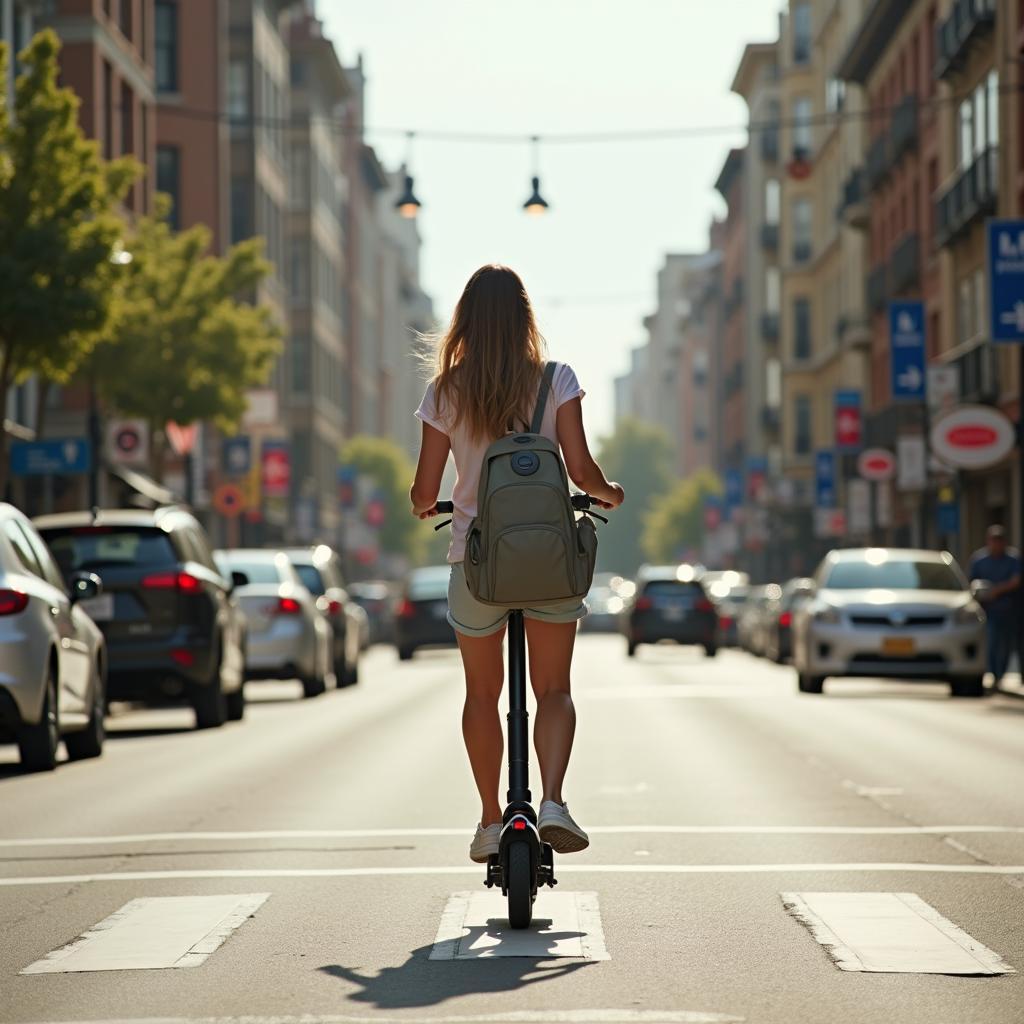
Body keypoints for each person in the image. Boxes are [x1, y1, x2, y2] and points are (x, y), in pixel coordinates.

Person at [410, 264, 625, 863]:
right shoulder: (557, 380)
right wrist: (609, 494)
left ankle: (487, 821)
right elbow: (581, 472)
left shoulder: (445, 393)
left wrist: (428, 501)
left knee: (483, 695)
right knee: (553, 688)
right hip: (549, 561)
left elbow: (425, 493)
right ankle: (552, 801)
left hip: (477, 565)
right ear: (527, 319)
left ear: (465, 324)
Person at [967, 525, 1022, 689]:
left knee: (1006, 645)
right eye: (993, 541)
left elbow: (1016, 581)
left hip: (1009, 610)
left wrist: (996, 591)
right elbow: (971, 583)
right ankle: (993, 675)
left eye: (999, 541)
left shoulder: (1013, 559)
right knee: (991, 642)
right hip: (986, 611)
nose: (996, 544)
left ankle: (1000, 674)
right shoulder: (979, 560)